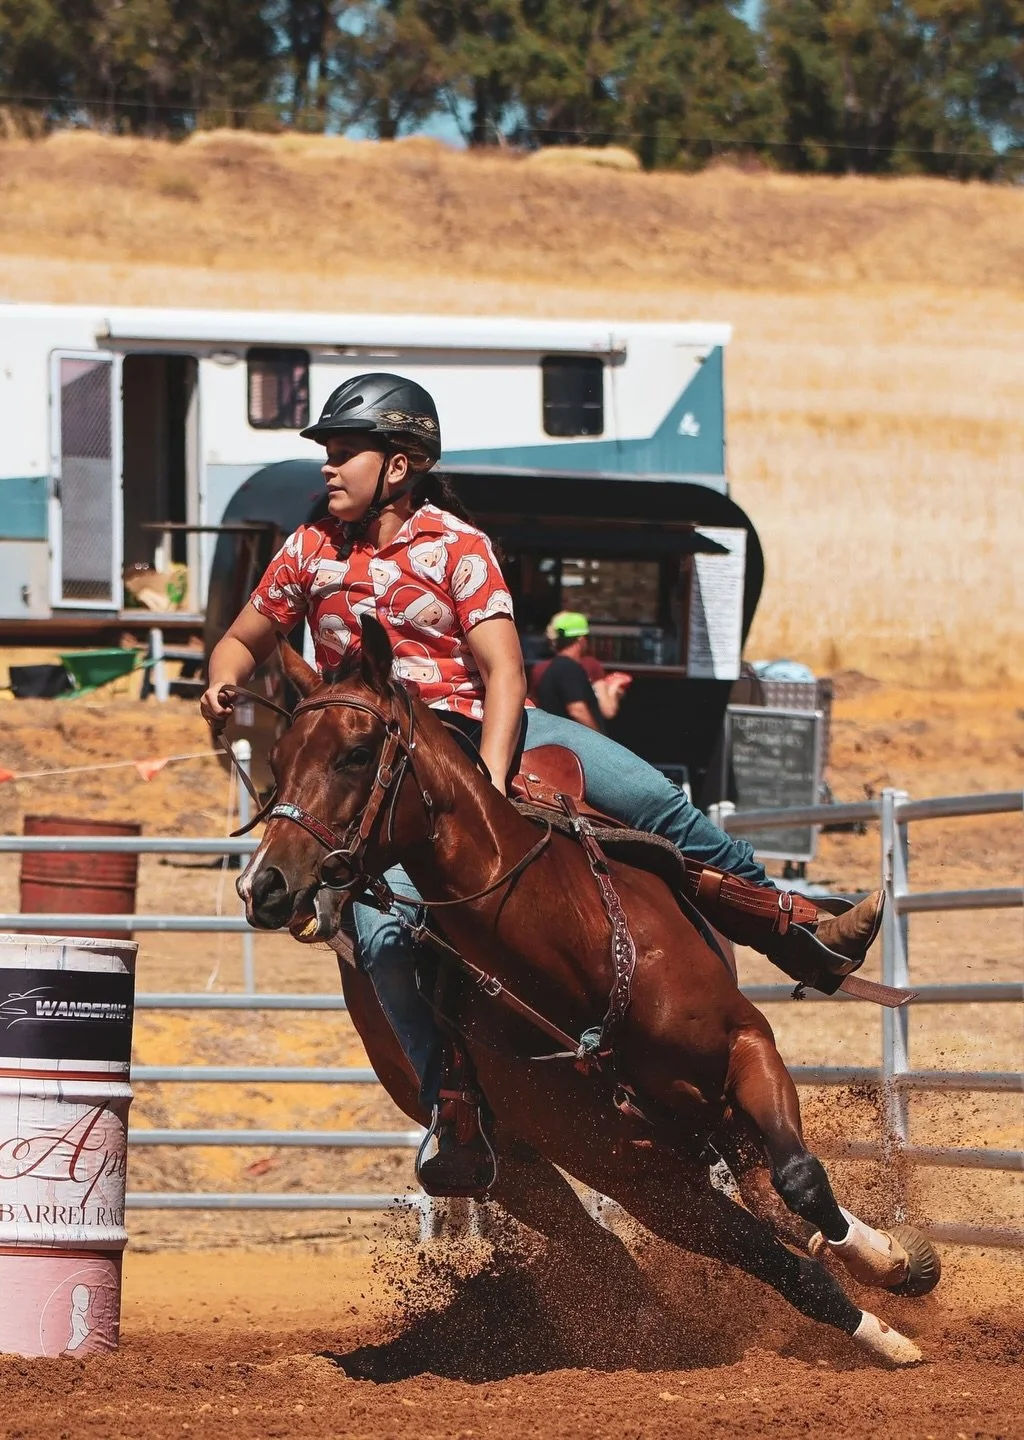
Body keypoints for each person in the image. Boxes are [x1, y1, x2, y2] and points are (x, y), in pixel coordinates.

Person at [201, 372, 883, 1196]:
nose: (329, 468)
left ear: (401, 464)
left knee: (656, 801)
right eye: (329, 453)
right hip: (369, 769)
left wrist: (487, 778)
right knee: (382, 939)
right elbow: (241, 639)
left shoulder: (457, 546)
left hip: (477, 733)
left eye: (346, 453)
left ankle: (793, 926)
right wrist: (221, 679)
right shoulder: (308, 548)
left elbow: (502, 670)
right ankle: (453, 1109)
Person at [531, 611, 630, 731]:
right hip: (573, 743)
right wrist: (598, 740)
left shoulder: (545, 668)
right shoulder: (570, 668)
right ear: (581, 640)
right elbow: (577, 710)